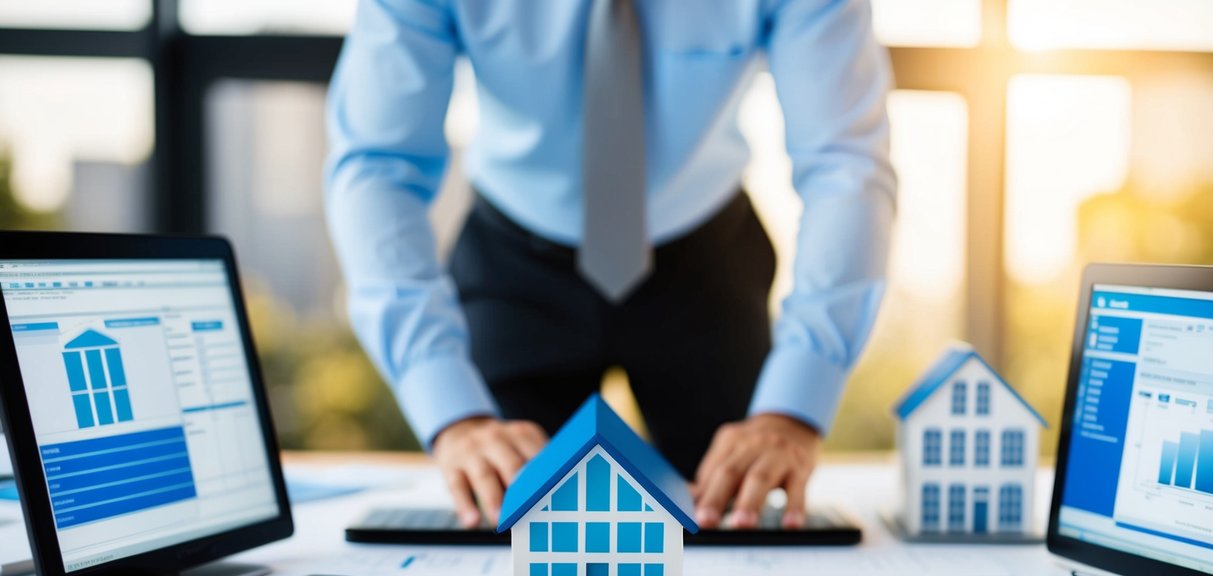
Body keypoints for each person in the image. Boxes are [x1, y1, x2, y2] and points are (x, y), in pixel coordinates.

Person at [325, 0, 895, 530]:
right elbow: (378, 164)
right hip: (514, 266)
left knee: (742, 523)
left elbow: (845, 165)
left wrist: (793, 409)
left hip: (707, 263)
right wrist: (451, 411)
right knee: (503, 532)